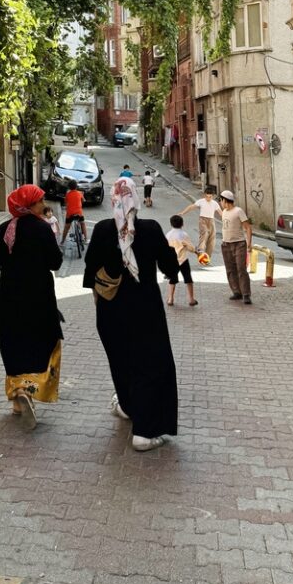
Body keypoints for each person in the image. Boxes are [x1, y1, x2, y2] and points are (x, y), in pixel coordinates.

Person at [83, 177, 179, 451]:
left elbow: (90, 274)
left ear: (113, 199)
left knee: (121, 362)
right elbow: (170, 267)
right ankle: (145, 432)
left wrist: (99, 303)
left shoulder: (102, 230)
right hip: (145, 310)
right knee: (150, 365)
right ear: (134, 199)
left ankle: (127, 406)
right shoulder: (150, 229)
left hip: (110, 312)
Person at [0, 185, 63, 429]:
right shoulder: (43, 229)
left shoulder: (7, 228)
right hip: (39, 296)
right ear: (31, 204)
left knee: (14, 340)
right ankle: (29, 390)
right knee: (41, 340)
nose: (43, 202)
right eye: (40, 200)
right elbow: (55, 262)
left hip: (11, 296)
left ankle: (17, 397)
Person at [219, 189, 253, 304]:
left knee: (241, 269)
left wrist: (249, 244)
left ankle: (246, 294)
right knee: (230, 269)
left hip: (239, 244)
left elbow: (248, 227)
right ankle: (236, 292)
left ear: (225, 200)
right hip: (226, 244)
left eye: (221, 200)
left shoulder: (238, 211)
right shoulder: (224, 212)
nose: (220, 202)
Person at [178, 184, 221, 262]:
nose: (208, 198)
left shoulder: (215, 203)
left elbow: (221, 213)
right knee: (204, 234)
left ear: (213, 196)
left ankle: (207, 256)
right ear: (204, 195)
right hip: (202, 220)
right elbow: (191, 206)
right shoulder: (201, 201)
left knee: (211, 239)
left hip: (211, 221)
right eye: (207, 196)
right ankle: (200, 250)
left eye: (210, 197)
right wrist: (183, 212)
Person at [165, 215, 199, 308]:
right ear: (182, 224)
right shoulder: (184, 235)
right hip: (183, 260)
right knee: (188, 278)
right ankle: (191, 299)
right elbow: (189, 247)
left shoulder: (168, 235)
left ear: (171, 224)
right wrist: (196, 251)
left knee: (172, 279)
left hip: (172, 260)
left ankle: (170, 299)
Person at [60, 179, 87, 249]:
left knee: (66, 227)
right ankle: (86, 239)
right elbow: (84, 200)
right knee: (83, 223)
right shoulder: (79, 193)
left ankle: (62, 241)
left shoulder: (68, 194)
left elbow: (66, 202)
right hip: (79, 213)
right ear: (76, 186)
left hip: (70, 213)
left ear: (69, 187)